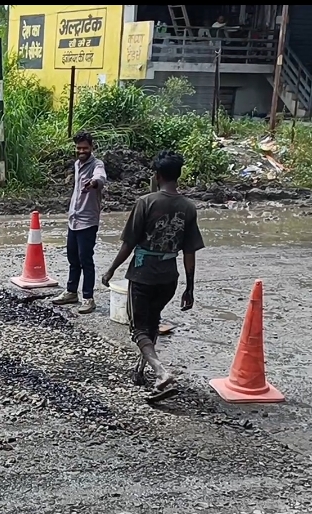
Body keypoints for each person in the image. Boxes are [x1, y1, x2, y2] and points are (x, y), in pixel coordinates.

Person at [101, 151, 205, 399]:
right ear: (177, 176)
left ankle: (161, 373)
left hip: (143, 275)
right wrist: (189, 288)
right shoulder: (189, 207)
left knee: (138, 328)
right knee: (153, 322)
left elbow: (129, 243)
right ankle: (140, 370)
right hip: (169, 278)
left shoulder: (146, 203)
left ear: (157, 176)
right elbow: (189, 251)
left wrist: (112, 269)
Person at [50, 131, 107, 314]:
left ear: (92, 148)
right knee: (73, 258)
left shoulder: (97, 164)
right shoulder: (77, 164)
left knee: (86, 260)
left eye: (85, 148)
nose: (81, 151)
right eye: (79, 148)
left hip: (87, 221)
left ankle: (88, 298)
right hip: (73, 219)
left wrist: (94, 183)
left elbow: (100, 178)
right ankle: (71, 292)